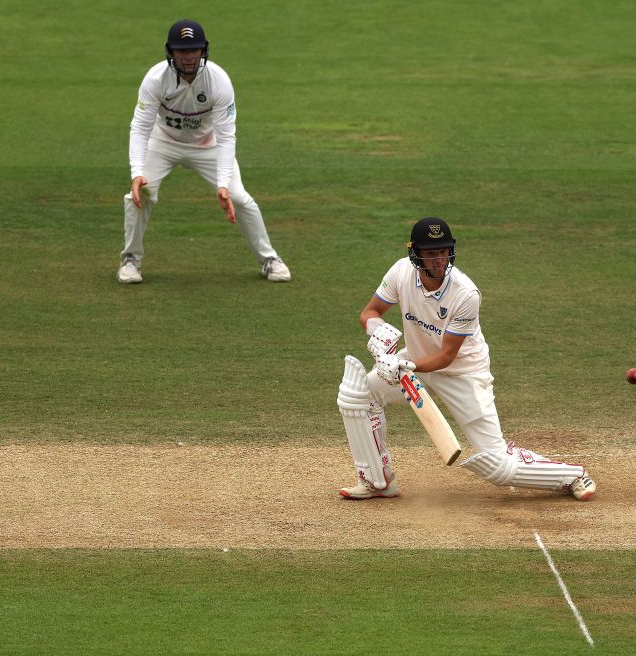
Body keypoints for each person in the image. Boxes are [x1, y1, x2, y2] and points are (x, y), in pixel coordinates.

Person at [335, 217, 597, 501]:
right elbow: (370, 313)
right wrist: (379, 336)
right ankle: (378, 480)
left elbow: (447, 356)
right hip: (414, 362)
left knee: (497, 466)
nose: (439, 260)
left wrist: (405, 365)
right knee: (358, 396)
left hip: (463, 373)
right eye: (431, 253)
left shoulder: (465, 293)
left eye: (443, 251)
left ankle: (573, 475)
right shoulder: (401, 272)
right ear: (415, 253)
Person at [118, 19, 291, 284]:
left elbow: (226, 136)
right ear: (170, 51)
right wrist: (137, 172)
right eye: (181, 51)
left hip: (207, 143)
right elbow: (140, 128)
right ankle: (130, 259)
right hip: (163, 141)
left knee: (238, 197)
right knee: (140, 193)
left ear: (203, 50)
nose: (188, 57)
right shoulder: (155, 79)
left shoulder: (219, 81)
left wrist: (222, 184)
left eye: (194, 50)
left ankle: (270, 259)